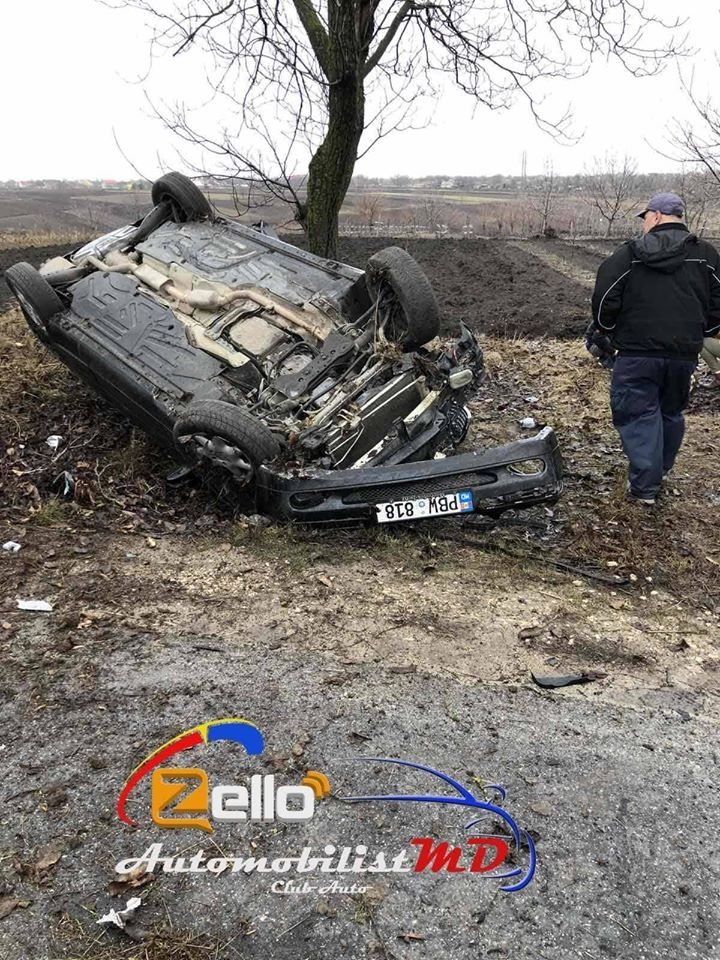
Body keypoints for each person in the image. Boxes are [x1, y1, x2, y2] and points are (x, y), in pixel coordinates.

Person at [589, 191, 720, 505]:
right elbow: (718, 302)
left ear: (657, 216)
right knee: (670, 412)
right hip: (683, 354)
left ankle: (645, 489)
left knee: (638, 414)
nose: (644, 223)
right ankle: (659, 470)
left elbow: (605, 298)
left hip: (636, 353)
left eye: (646, 216)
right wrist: (705, 331)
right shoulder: (706, 255)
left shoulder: (629, 254)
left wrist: (606, 330)